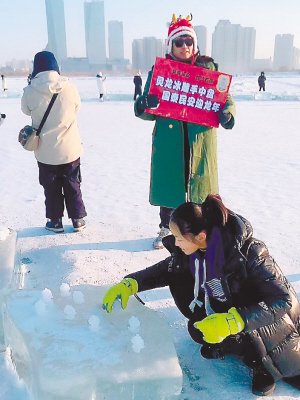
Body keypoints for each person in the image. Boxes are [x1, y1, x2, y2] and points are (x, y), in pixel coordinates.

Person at [102, 194, 300, 396]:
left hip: (267, 319)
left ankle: (261, 365)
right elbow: (166, 269)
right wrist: (132, 283)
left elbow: (281, 300)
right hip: (230, 310)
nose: (176, 243)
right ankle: (232, 343)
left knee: (265, 349)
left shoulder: (250, 252)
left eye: (179, 238)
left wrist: (234, 321)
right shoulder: (195, 253)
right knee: (198, 330)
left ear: (200, 236)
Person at [134, 14, 236, 250]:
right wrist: (144, 103)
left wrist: (227, 114)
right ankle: (167, 228)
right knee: (172, 185)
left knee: (200, 187)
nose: (184, 47)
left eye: (188, 42)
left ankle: (202, 229)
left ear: (195, 44)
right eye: (179, 42)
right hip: (171, 140)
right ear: (171, 45)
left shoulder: (208, 69)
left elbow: (225, 99)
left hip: (199, 139)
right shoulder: (161, 72)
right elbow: (148, 110)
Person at [21, 51, 87, 233]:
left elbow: (25, 110)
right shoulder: (69, 87)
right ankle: (78, 220)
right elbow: (77, 108)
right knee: (73, 183)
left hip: (45, 151)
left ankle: (55, 221)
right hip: (70, 149)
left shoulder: (30, 90)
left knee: (51, 187)